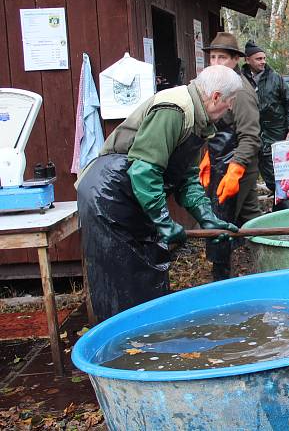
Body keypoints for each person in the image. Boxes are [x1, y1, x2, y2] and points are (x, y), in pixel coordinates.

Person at [76, 65, 242, 321]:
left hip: (132, 191)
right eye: (230, 102)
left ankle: (149, 343)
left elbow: (186, 176)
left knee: (150, 271)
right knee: (124, 279)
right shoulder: (174, 110)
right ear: (217, 96)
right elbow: (144, 170)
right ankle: (121, 351)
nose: (230, 108)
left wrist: (206, 214)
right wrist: (162, 219)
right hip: (109, 192)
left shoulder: (198, 120)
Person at [198, 32, 262, 280]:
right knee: (249, 218)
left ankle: (223, 276)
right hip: (217, 164)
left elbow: (251, 136)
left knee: (225, 223)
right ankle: (260, 264)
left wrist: (236, 169)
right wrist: (204, 156)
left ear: (236, 60)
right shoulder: (212, 87)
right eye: (212, 57)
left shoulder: (240, 92)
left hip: (239, 167)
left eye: (222, 57)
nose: (216, 62)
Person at [242, 40, 289, 198]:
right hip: (253, 132)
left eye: (264, 58)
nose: (263, 62)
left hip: (276, 132)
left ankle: (283, 203)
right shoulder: (241, 79)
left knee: (277, 173)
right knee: (260, 170)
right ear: (247, 60)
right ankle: (277, 199)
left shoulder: (275, 78)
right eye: (258, 59)